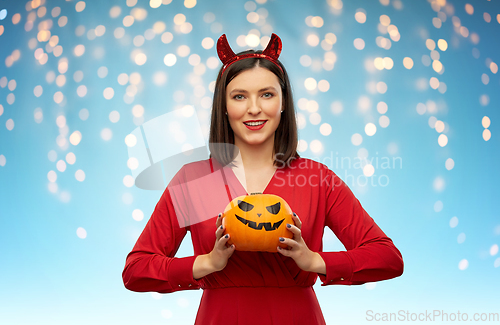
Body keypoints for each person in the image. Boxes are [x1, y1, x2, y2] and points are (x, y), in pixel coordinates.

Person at [122, 33, 404, 325]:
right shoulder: (194, 180)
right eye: (239, 96)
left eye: (266, 94)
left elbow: (387, 258)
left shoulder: (317, 178)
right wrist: (207, 263)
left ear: (283, 103)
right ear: (224, 106)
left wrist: (313, 260)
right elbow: (136, 269)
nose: (253, 108)